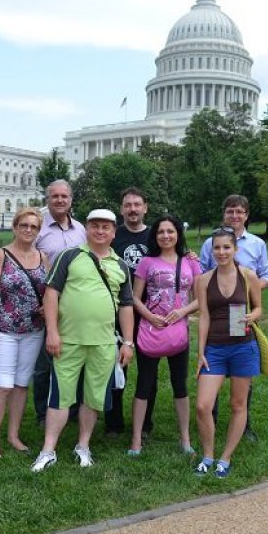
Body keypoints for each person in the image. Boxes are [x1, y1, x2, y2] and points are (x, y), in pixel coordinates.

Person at [31, 209, 135, 472]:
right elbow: (51, 294)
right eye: (95, 226)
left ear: (114, 232)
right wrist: (52, 332)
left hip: (103, 343)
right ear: (87, 228)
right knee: (60, 396)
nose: (100, 231)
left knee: (93, 397)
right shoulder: (70, 255)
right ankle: (48, 450)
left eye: (106, 227)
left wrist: (128, 342)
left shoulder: (120, 265)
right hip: (68, 340)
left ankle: (83, 446)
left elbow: (126, 305)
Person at [199, 195, 268, 442]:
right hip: (217, 309)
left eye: (239, 212)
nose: (235, 216)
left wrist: (246, 289)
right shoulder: (211, 243)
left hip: (242, 310)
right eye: (230, 211)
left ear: (246, 215)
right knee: (215, 363)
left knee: (241, 370)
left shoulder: (257, 244)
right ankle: (214, 419)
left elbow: (265, 276)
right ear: (224, 214)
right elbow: (203, 274)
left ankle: (244, 423)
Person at [193, 227, 263, 478]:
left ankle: (225, 457)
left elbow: (258, 308)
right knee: (202, 406)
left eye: (226, 247)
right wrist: (201, 352)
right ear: (211, 250)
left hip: (243, 346)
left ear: (235, 249)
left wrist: (250, 315)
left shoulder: (248, 275)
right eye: (217, 248)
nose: (221, 252)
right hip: (215, 348)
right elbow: (204, 317)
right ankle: (208, 454)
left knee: (238, 404)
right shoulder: (203, 280)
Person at [128, 215, 200, 456]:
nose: (166, 236)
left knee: (180, 385)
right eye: (161, 232)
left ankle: (185, 438)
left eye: (170, 231)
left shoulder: (190, 262)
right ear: (155, 236)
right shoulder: (147, 262)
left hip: (178, 332)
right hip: (151, 330)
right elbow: (134, 297)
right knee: (144, 385)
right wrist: (149, 316)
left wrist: (182, 311)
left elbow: (200, 299)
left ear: (178, 234)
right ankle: (136, 439)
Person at [0, 208, 48, 459]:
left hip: (33, 331)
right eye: (24, 225)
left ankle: (13, 435)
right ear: (15, 227)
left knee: (21, 385)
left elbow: (47, 291)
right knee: (2, 386)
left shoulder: (43, 257)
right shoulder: (1, 255)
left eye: (33, 226)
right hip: (4, 330)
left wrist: (46, 307)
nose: (28, 230)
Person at [32, 179, 87, 426]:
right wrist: (41, 303)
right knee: (45, 363)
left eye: (64, 196)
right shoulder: (38, 230)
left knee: (75, 357)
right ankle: (44, 412)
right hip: (46, 304)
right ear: (48, 199)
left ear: (71, 199)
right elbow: (28, 265)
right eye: (55, 196)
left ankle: (73, 409)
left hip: (76, 305)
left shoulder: (81, 230)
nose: (60, 200)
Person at [108, 187, 157, 436]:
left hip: (151, 312)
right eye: (128, 205)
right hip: (118, 311)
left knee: (149, 371)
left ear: (145, 208)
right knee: (117, 367)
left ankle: (145, 423)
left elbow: (174, 257)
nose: (133, 209)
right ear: (121, 209)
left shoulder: (155, 236)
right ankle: (113, 423)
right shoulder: (113, 236)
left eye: (137, 204)